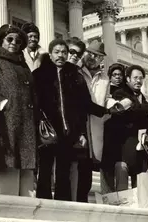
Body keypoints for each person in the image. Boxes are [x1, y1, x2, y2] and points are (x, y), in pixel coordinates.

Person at [33, 39, 115, 201]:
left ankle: (62, 204)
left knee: (64, 170)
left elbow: (84, 104)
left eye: (64, 52)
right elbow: (34, 102)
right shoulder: (39, 74)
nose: (61, 55)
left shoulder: (74, 75)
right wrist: (39, 121)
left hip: (68, 131)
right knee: (46, 168)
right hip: (48, 128)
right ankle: (43, 201)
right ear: (50, 54)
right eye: (57, 52)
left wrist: (106, 111)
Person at [0, 24, 38, 197]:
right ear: (1, 40)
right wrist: (5, 106)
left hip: (26, 127)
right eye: (9, 39)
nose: (14, 43)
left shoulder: (23, 65)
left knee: (27, 184)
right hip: (6, 125)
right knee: (8, 175)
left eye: (18, 41)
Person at [111, 65, 148, 191]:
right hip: (124, 152)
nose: (138, 81)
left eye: (141, 78)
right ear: (127, 79)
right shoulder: (120, 93)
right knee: (123, 192)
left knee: (143, 190)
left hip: (141, 152)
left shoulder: (141, 96)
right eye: (135, 77)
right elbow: (132, 110)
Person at [76, 41, 113, 195]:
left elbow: (105, 99)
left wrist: (113, 104)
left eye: (97, 56)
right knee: (75, 166)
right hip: (78, 125)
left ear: (101, 59)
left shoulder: (105, 79)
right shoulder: (76, 71)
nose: (92, 57)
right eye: (90, 53)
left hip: (95, 126)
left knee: (87, 173)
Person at [65, 37, 92, 202]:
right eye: (71, 51)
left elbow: (85, 106)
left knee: (77, 171)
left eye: (78, 53)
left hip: (76, 131)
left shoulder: (79, 76)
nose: (75, 55)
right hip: (55, 131)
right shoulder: (51, 72)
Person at [100, 63, 128, 193]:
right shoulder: (106, 88)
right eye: (115, 75)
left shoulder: (127, 90)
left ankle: (122, 195)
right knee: (106, 165)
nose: (118, 77)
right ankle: (107, 195)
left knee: (121, 165)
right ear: (110, 76)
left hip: (122, 132)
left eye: (120, 75)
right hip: (107, 131)